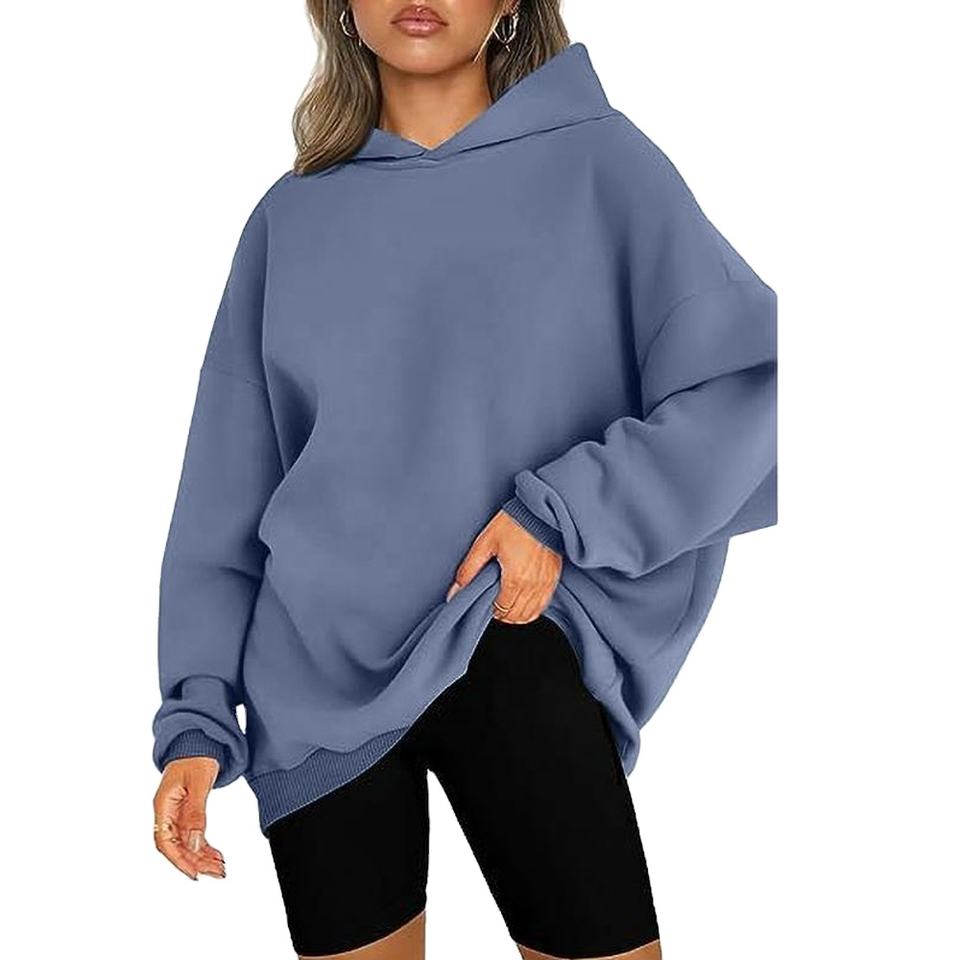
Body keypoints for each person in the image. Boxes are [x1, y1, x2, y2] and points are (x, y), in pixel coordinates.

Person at [151, 2, 777, 958]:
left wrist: (562, 514)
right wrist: (197, 718)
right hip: (312, 681)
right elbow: (224, 492)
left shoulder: (602, 165)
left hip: (513, 640)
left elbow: (751, 389)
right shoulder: (291, 217)